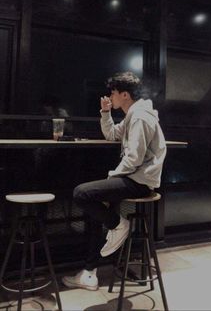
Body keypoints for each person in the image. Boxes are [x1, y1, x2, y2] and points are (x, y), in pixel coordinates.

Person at [62, 71, 166, 291]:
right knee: (93, 202)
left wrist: (112, 177)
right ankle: (90, 271)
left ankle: (118, 225)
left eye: (113, 92)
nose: (111, 95)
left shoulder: (139, 117)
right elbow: (111, 134)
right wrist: (106, 112)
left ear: (125, 94)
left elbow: (134, 158)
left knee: (81, 193)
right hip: (134, 178)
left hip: (138, 182)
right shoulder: (133, 115)